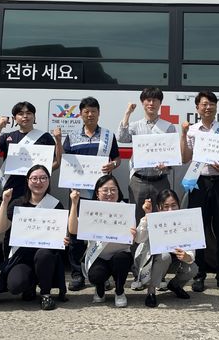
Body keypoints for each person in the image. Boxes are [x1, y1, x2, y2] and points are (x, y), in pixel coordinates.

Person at [180, 90, 219, 293]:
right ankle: (199, 275)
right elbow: (185, 158)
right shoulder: (193, 130)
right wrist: (183, 134)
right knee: (198, 230)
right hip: (199, 183)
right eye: (204, 104)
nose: (208, 107)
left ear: (216, 107)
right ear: (197, 108)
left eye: (211, 103)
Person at [63, 96, 121, 291]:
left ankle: (104, 275)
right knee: (76, 235)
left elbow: (117, 159)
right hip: (79, 193)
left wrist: (113, 164)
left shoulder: (108, 135)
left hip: (102, 194)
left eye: (93, 111)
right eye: (86, 111)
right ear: (80, 114)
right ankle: (77, 274)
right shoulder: (72, 137)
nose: (90, 114)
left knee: (103, 233)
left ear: (98, 113)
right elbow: (67, 163)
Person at [0, 165, 68, 311]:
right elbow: (0, 228)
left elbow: (61, 234)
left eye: (43, 178)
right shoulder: (18, 204)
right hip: (22, 256)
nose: (38, 182)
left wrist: (64, 239)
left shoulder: (56, 205)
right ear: (27, 181)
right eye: (34, 178)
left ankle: (46, 294)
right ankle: (30, 284)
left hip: (44, 256)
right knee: (15, 286)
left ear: (48, 181)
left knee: (44, 254)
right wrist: (5, 201)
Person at [67, 175, 135, 307]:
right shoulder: (91, 209)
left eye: (113, 190)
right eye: (105, 190)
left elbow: (132, 238)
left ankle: (120, 291)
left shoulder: (125, 209)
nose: (109, 193)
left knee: (121, 259)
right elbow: (73, 230)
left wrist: (134, 234)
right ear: (97, 193)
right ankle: (99, 288)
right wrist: (74, 204)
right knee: (96, 275)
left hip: (119, 254)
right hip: (98, 255)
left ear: (118, 191)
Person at [118, 87, 177, 224]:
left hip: (160, 180)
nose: (151, 103)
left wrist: (167, 164)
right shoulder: (135, 126)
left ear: (160, 103)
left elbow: (173, 155)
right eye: (148, 100)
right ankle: (135, 246)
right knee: (137, 219)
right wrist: (127, 113)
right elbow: (121, 137)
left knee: (162, 219)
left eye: (155, 100)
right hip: (139, 181)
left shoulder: (168, 127)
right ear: (142, 102)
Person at [133, 189, 198, 308]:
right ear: (159, 208)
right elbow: (139, 239)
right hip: (152, 262)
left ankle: (175, 285)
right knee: (164, 256)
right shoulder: (152, 219)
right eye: (166, 206)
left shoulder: (185, 221)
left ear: (179, 206)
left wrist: (187, 256)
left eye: (174, 206)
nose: (170, 210)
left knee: (193, 268)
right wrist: (147, 216)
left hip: (174, 260)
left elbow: (191, 253)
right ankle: (151, 291)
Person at [0, 101, 63, 199]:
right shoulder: (8, 137)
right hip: (12, 187)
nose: (25, 116)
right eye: (20, 114)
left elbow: (58, 161)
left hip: (38, 186)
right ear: (15, 118)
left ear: (34, 117)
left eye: (29, 113)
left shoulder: (45, 137)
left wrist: (41, 173)